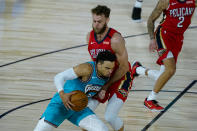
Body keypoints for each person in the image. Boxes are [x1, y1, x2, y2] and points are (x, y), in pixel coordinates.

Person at [132, 0, 197, 111]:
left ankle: (137, 69)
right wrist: (152, 39)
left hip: (178, 38)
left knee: (162, 77)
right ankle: (150, 99)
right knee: (171, 70)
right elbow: (151, 20)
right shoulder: (166, 1)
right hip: (164, 36)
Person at [34, 51, 117, 131]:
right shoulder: (87, 69)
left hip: (79, 107)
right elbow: (59, 77)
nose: (110, 71)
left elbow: (89, 91)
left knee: (102, 129)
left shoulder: (106, 75)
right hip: (62, 103)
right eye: (107, 68)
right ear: (99, 64)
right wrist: (62, 94)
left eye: (112, 68)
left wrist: (98, 95)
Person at [86, 5, 138, 131]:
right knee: (85, 112)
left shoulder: (116, 39)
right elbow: (96, 63)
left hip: (121, 77)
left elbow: (124, 67)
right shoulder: (89, 36)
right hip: (103, 77)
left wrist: (106, 86)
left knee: (110, 116)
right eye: (94, 21)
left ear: (107, 20)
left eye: (100, 22)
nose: (96, 24)